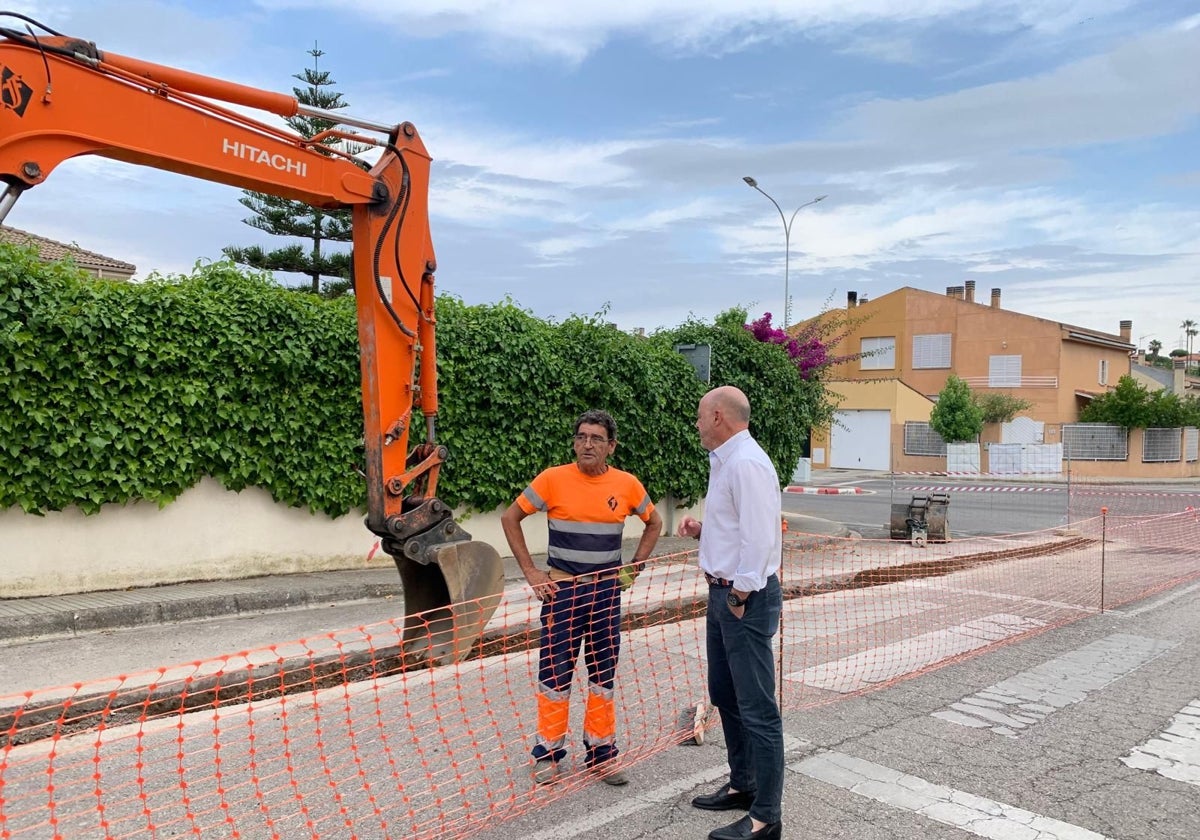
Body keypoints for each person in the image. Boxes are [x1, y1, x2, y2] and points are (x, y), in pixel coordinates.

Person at [501, 408, 662, 788]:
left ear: (611, 446)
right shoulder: (552, 480)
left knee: (602, 675)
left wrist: (634, 567)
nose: (587, 444)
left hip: (606, 594)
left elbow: (654, 522)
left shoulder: (627, 484)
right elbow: (510, 518)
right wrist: (531, 572)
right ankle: (548, 754)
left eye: (596, 438)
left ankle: (601, 753)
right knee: (554, 675)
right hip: (563, 593)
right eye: (581, 437)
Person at [677, 386, 784, 840]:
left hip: (744, 599)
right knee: (725, 693)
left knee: (758, 709)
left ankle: (765, 816)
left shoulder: (745, 463)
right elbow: (739, 528)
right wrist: (706, 531)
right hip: (724, 595)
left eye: (700, 417)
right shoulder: (725, 461)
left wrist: (738, 597)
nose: (697, 424)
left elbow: (760, 542)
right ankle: (743, 783)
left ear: (718, 416)